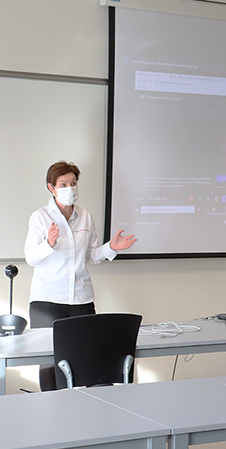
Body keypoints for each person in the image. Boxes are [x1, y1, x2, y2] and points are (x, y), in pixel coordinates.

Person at [24, 161, 137, 391]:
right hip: (48, 301)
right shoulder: (40, 217)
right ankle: (52, 410)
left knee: (90, 358)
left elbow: (91, 255)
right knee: (49, 361)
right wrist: (49, 243)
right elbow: (30, 258)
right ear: (51, 188)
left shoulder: (85, 215)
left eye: (73, 183)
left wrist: (111, 247)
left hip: (81, 299)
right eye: (63, 184)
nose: (70, 188)